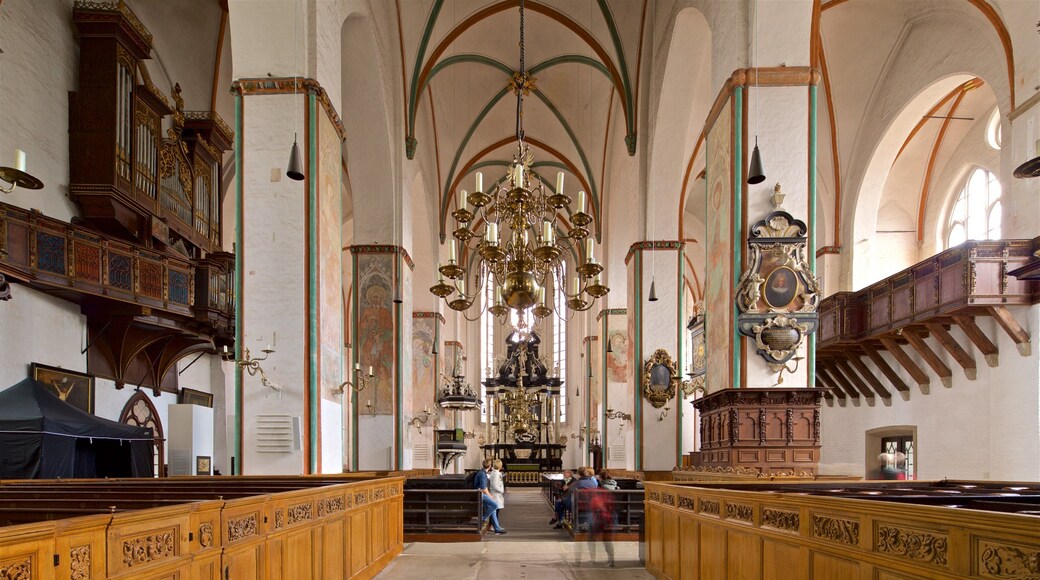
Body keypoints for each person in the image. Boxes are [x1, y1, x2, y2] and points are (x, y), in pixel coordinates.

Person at [473, 459, 507, 535]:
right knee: (495, 505)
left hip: (480, 493)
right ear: (490, 466)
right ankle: (483, 518)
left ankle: (497, 529)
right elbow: (483, 488)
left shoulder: (483, 473)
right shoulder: (482, 474)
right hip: (479, 494)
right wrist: (490, 495)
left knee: (493, 509)